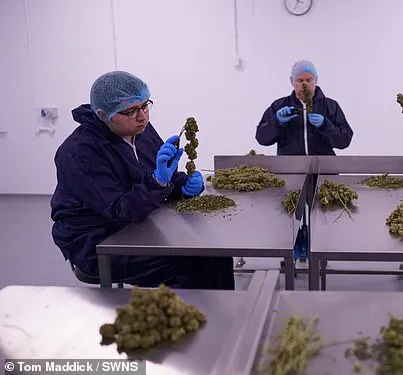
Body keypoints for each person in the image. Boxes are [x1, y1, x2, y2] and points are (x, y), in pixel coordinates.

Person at [50, 70, 235, 290]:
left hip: (140, 224)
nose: (142, 117)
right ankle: (187, 313)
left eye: (145, 106)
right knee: (194, 267)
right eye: (130, 111)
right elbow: (120, 210)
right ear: (102, 114)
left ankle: (224, 311)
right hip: (96, 239)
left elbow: (153, 176)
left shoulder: (140, 130)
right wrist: (159, 182)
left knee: (217, 253)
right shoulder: (79, 152)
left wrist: (182, 185)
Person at [256, 60, 354, 261]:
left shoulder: (330, 106)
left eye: (309, 80)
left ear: (316, 80)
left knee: (322, 217)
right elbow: (262, 138)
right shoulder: (279, 106)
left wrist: (326, 125)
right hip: (290, 172)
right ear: (291, 82)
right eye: (300, 80)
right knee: (291, 216)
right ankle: (293, 249)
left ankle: (320, 253)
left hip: (324, 172)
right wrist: (277, 122)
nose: (305, 84)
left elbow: (344, 140)